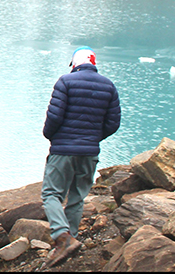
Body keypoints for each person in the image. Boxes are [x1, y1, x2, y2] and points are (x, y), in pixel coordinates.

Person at [41, 47, 121, 267]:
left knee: (51, 194)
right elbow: (113, 123)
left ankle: (62, 236)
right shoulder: (109, 86)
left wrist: (51, 136)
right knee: (77, 196)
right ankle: (71, 239)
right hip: (89, 152)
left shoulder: (65, 82)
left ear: (75, 63)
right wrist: (93, 138)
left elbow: (54, 116)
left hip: (63, 150)